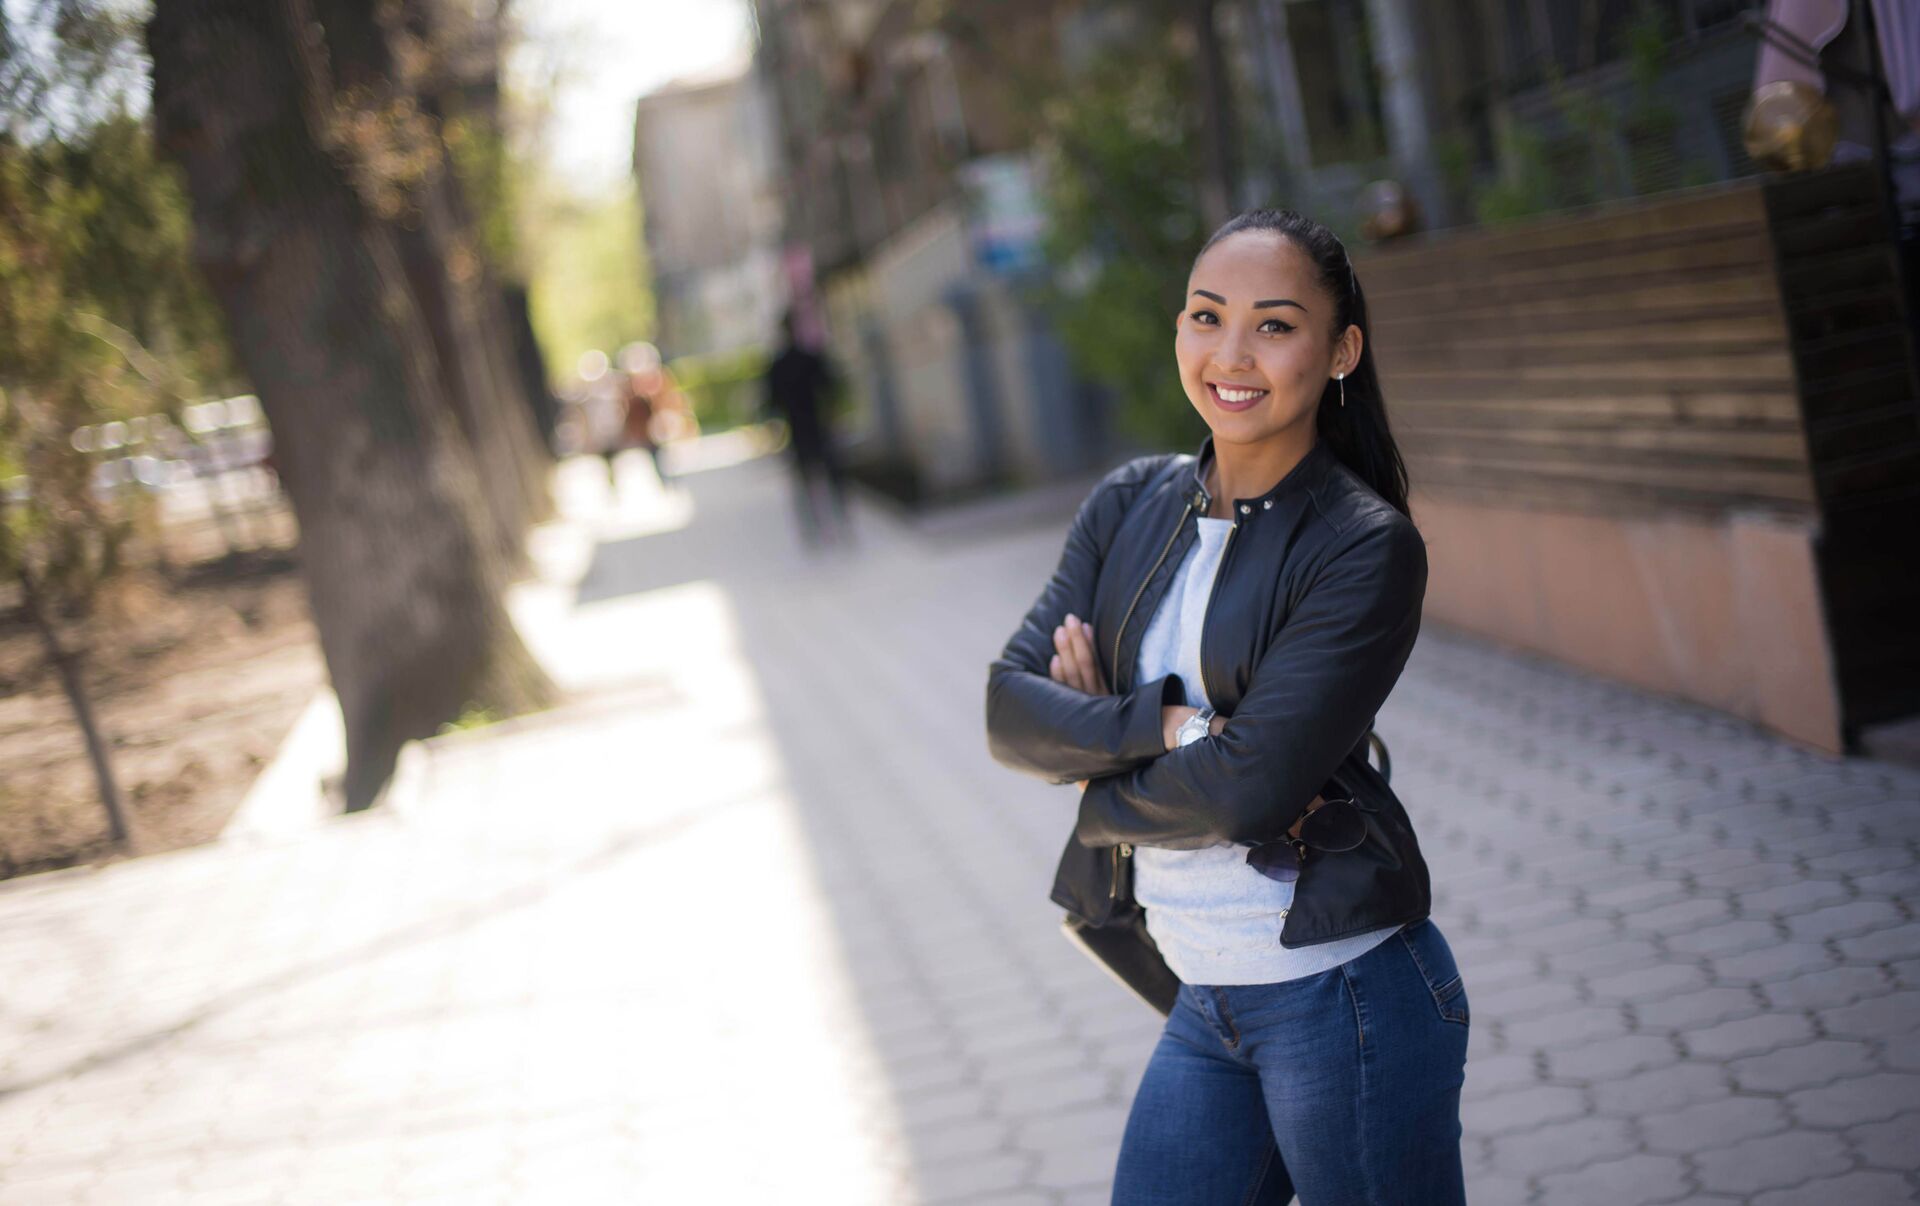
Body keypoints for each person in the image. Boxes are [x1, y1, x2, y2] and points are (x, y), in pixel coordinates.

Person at [984, 208, 1465, 1204]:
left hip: (1344, 998)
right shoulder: (1130, 504)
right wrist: (1163, 728)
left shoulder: (1362, 547)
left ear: (1341, 352)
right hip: (1205, 997)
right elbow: (1009, 710)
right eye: (1207, 316)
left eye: (1275, 325)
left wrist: (1093, 780)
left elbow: (1250, 790)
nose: (1231, 353)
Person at [761, 309, 852, 547]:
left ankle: (814, 528)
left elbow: (771, 404)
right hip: (818, 427)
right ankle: (838, 521)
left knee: (806, 482)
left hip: (799, 431)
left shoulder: (780, 365)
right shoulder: (809, 358)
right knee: (829, 478)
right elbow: (832, 389)